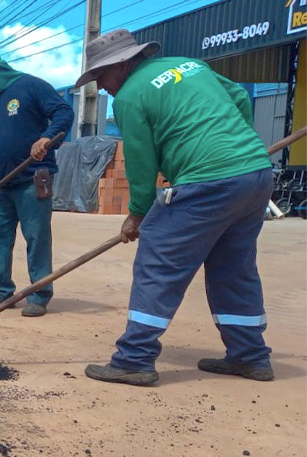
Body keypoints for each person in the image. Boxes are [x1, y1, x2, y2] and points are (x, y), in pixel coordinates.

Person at [77, 29, 275, 386]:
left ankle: (135, 359)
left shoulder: (130, 96)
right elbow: (238, 98)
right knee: (234, 267)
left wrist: (138, 213)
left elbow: (141, 161)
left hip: (208, 181)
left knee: (159, 262)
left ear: (121, 65)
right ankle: (250, 357)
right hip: (255, 175)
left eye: (100, 75)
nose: (100, 86)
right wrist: (235, 147)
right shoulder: (190, 65)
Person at [0, 53, 74, 317]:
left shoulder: (31, 86)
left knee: (36, 237)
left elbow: (63, 112)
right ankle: (1, 291)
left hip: (32, 178)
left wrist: (47, 137)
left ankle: (39, 294)